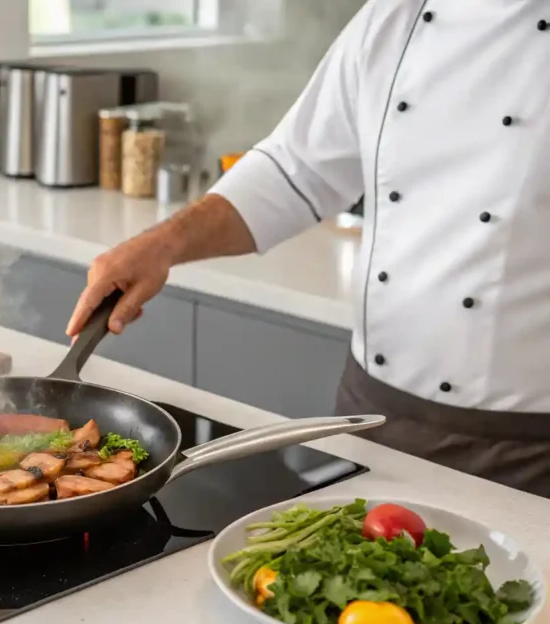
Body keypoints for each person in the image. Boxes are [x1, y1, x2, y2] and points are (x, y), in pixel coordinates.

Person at [66, 1, 550, 497]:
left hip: (527, 448)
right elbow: (297, 169)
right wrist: (160, 245)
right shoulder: (394, 16)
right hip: (374, 415)